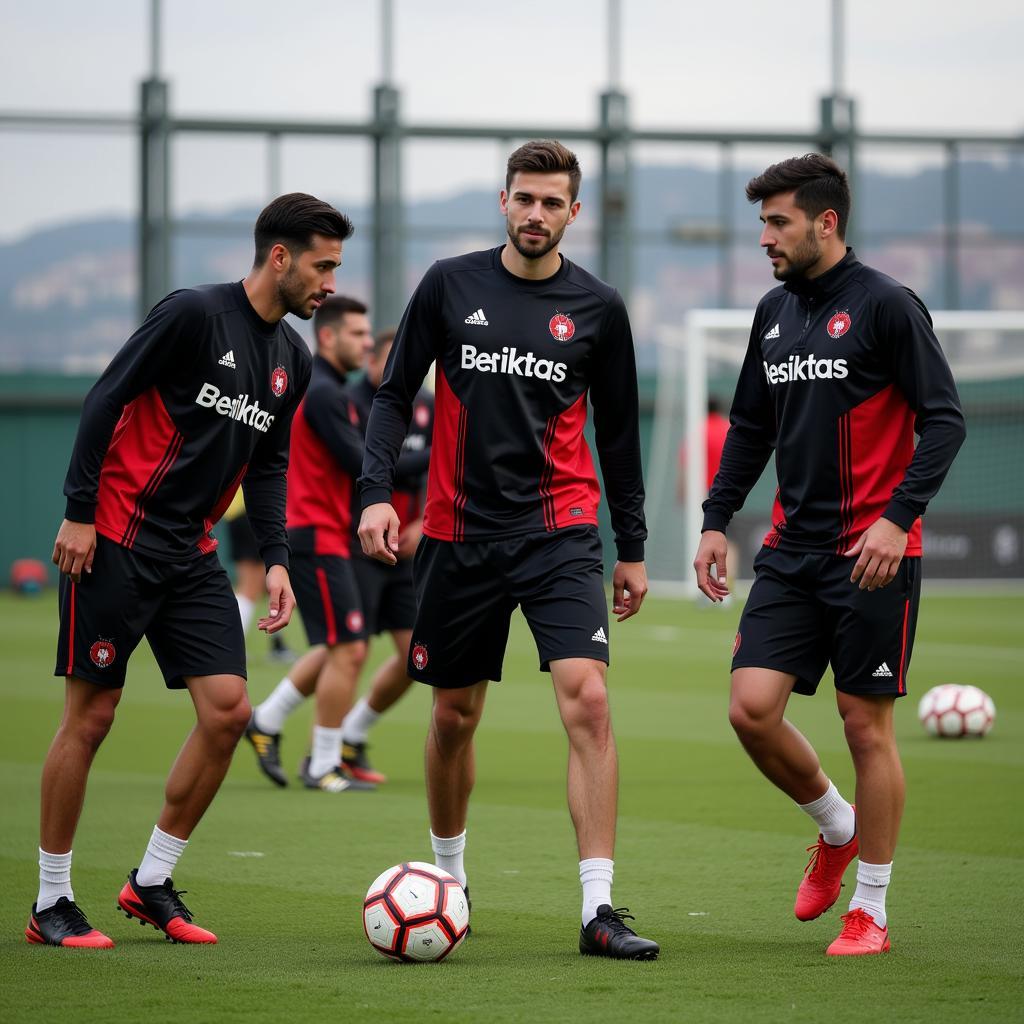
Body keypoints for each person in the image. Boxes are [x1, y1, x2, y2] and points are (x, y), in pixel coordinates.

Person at [358, 140, 659, 960]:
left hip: (560, 532)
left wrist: (630, 548)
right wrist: (377, 494)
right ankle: (450, 883)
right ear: (503, 202)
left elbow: (622, 437)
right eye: (524, 199)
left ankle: (599, 909)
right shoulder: (450, 284)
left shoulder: (599, 307)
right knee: (453, 716)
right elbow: (391, 396)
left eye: (551, 202)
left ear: (573, 212)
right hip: (457, 535)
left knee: (588, 700)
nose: (536, 214)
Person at [32, 192, 352, 949]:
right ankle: (50, 901)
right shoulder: (192, 315)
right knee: (93, 717)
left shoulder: (293, 360)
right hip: (116, 537)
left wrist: (275, 559)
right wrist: (79, 510)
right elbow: (106, 398)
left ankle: (149, 881)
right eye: (323, 265)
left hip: (194, 553)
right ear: (280, 257)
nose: (330, 283)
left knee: (229, 712)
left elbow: (269, 465)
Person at [692, 154, 966, 956]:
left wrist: (896, 519)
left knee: (864, 726)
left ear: (826, 222)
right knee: (749, 710)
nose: (766, 239)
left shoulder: (886, 305)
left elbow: (944, 419)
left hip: (873, 554)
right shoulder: (772, 311)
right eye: (763, 224)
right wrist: (716, 520)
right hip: (790, 550)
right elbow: (749, 427)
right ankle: (836, 827)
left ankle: (871, 910)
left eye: (778, 223)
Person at [244, 299, 429, 792]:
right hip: (318, 534)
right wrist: (445, 455)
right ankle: (323, 762)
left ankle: (269, 721)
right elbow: (363, 463)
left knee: (348, 647)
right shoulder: (325, 394)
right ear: (328, 338)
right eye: (358, 334)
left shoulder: (331, 391)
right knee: (347, 648)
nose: (367, 343)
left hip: (329, 535)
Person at [341, 327, 433, 783]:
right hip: (354, 543)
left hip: (407, 548)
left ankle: (351, 735)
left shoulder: (429, 406)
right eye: (391, 358)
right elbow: (365, 464)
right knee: (346, 650)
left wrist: (422, 521)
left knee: (418, 655)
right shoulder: (349, 401)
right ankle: (281, 726)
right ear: (372, 359)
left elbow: (444, 470)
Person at [224, 491, 294, 662]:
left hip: (240, 514)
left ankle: (278, 645)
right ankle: (228, 647)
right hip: (250, 512)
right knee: (250, 588)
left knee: (267, 584)